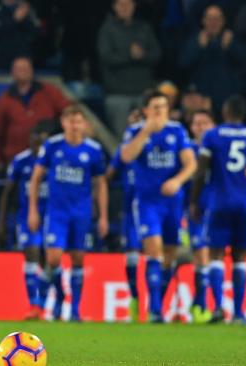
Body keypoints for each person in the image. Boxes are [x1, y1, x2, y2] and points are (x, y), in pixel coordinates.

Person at [121, 91, 196, 323]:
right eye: (155, 107)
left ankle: (158, 304)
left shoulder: (177, 131)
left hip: (173, 202)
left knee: (170, 255)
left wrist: (177, 180)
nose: (159, 111)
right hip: (147, 202)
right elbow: (125, 156)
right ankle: (154, 310)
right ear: (146, 110)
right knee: (154, 249)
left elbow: (191, 164)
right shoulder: (136, 132)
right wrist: (145, 131)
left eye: (163, 106)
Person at [28, 104, 108, 322]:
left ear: (84, 124)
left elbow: (100, 184)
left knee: (78, 258)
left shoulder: (93, 150)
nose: (74, 126)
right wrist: (33, 210)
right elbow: (36, 178)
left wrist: (103, 216)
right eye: (70, 121)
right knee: (53, 258)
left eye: (78, 121)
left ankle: (75, 310)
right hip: (57, 212)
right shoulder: (52, 146)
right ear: (63, 123)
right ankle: (42, 304)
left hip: (81, 213)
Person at [191, 95, 246, 324]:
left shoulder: (213, 136)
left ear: (225, 112)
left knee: (215, 254)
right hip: (244, 204)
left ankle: (218, 307)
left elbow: (201, 170)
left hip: (219, 202)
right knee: (240, 257)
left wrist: (194, 200)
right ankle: (239, 313)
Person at [0, 123, 51, 319]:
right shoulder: (20, 161)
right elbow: (7, 192)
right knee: (32, 253)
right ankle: (33, 304)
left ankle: (47, 303)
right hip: (27, 217)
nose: (38, 145)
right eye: (35, 140)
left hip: (53, 217)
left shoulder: (54, 161)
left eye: (42, 141)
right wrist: (1, 221)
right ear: (30, 141)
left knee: (50, 261)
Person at [0, 57, 69, 171]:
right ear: (12, 73)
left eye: (26, 68)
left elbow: (67, 110)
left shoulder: (49, 91)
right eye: (19, 68)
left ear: (32, 70)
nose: (23, 71)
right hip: (16, 157)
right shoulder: (4, 99)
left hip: (49, 156)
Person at [97, 0, 161, 136]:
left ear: (134, 6)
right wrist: (130, 55)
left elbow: (157, 55)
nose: (125, 8)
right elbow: (105, 58)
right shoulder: (107, 29)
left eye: (129, 4)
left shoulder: (144, 27)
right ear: (114, 7)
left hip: (143, 93)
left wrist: (142, 55)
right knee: (123, 139)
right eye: (121, 4)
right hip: (118, 95)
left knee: (149, 137)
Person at [179, 4, 242, 116]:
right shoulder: (195, 39)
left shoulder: (230, 38)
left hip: (225, 97)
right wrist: (199, 47)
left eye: (217, 19)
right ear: (203, 20)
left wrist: (230, 47)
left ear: (223, 21)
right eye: (210, 19)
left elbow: (244, 61)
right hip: (201, 97)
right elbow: (184, 64)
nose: (213, 22)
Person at [185, 110, 216, 323]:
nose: (201, 127)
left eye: (205, 123)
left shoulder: (220, 150)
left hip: (215, 209)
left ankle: (199, 304)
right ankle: (200, 305)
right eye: (197, 123)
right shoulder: (186, 151)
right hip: (194, 211)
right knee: (201, 256)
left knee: (205, 257)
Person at [105, 143, 139, 321]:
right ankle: (135, 298)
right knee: (132, 255)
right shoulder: (125, 150)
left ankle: (157, 305)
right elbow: (108, 176)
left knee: (158, 255)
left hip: (158, 205)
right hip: (130, 211)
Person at [0, 0, 40, 69]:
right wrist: (14, 19)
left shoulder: (26, 7)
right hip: (0, 55)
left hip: (23, 55)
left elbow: (36, 31)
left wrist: (24, 16)